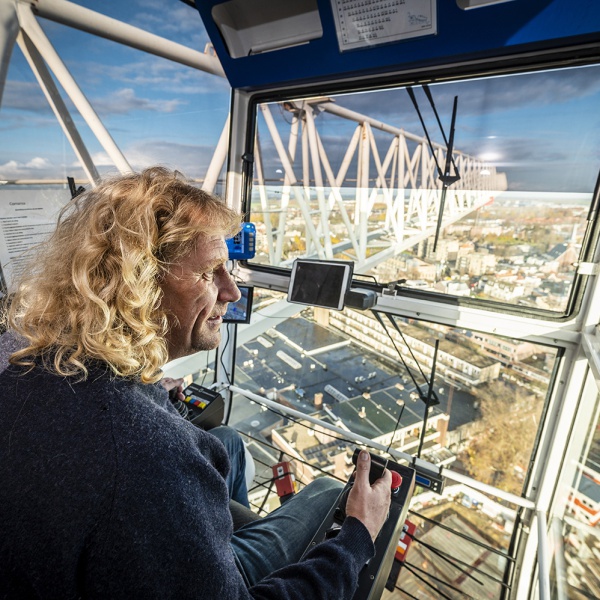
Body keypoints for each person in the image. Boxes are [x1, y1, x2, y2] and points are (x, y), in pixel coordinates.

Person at [0, 166, 392, 599]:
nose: (233, 292)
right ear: (137, 286)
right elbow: (135, 460)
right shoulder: (150, 456)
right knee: (325, 491)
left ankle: (213, 548)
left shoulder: (18, 352)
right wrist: (358, 535)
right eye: (209, 273)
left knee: (228, 443)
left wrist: (150, 397)